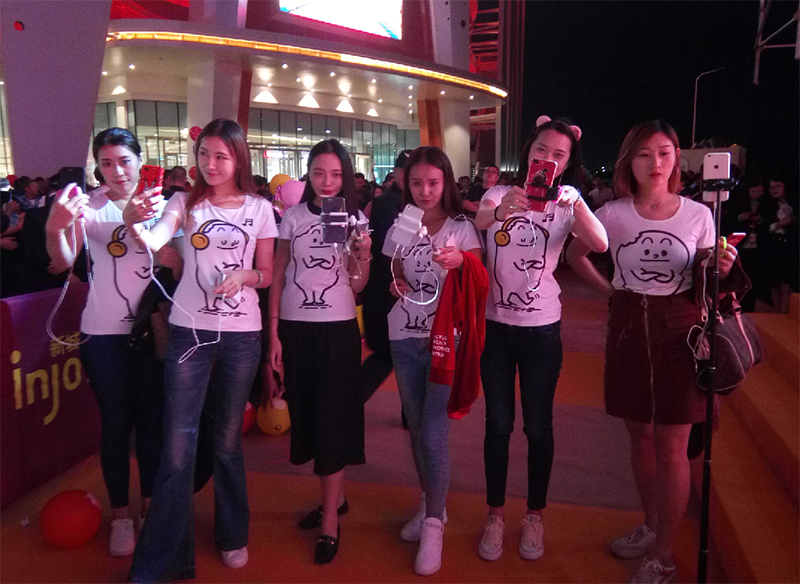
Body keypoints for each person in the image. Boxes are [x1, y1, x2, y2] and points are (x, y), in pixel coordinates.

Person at [567, 120, 739, 584]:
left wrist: (721, 267)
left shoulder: (698, 215)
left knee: (672, 446)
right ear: (629, 162)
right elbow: (575, 256)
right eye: (644, 154)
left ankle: (663, 553)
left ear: (677, 158)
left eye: (664, 152)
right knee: (639, 437)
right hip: (627, 328)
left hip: (681, 332)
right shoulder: (612, 214)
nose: (655, 162)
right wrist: (611, 291)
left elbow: (707, 282)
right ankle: (650, 525)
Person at [124, 118, 277, 582]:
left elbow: (267, 274)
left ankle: (233, 533)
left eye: (221, 156)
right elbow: (155, 241)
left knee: (227, 440)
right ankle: (165, 556)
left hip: (241, 334)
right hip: (188, 332)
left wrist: (245, 276)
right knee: (177, 445)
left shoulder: (259, 208)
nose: (210, 164)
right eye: (204, 154)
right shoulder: (183, 202)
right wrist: (134, 222)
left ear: (238, 159)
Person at [473, 115, 608, 563]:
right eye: (541, 150)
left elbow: (601, 244)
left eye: (558, 155)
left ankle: (534, 516)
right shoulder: (499, 193)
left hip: (543, 331)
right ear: (528, 150)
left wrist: (578, 203)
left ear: (567, 163)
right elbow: (480, 219)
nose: (547, 158)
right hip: (495, 329)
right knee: (497, 425)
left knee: (538, 427)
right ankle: (495, 516)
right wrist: (502, 210)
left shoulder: (568, 203)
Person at [45, 128, 174, 558]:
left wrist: (144, 227)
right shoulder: (89, 206)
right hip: (101, 334)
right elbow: (63, 260)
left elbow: (175, 261)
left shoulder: (163, 205)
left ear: (140, 160)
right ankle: (120, 515)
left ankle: (151, 508)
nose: (116, 171)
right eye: (106, 163)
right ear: (97, 167)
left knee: (152, 422)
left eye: (124, 161)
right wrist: (55, 226)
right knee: (116, 425)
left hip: (152, 330)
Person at [268, 138, 371, 565]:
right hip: (295, 329)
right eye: (318, 173)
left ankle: (330, 518)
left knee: (332, 418)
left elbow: (357, 284)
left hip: (337, 328)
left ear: (345, 176)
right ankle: (336, 498)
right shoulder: (292, 217)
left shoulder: (352, 218)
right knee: (309, 414)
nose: (327, 183)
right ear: (307, 174)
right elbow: (277, 275)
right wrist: (273, 333)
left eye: (335, 175)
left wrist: (361, 253)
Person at [385, 146, 484, 575]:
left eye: (433, 182)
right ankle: (431, 502)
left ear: (446, 183)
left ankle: (433, 524)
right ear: (406, 184)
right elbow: (393, 270)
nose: (425, 190)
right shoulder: (402, 224)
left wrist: (461, 261)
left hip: (447, 340)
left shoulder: (462, 228)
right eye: (417, 182)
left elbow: (480, 280)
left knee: (431, 433)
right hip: (403, 335)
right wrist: (397, 283)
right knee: (415, 427)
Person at [360, 151, 412, 402]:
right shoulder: (387, 203)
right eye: (407, 171)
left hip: (398, 291)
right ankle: (349, 401)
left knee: (405, 354)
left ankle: (409, 414)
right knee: (388, 354)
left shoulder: (410, 202)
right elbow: (389, 251)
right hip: (385, 291)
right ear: (398, 173)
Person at [763, 175, 797, 313]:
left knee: (787, 282)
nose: (774, 190)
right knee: (774, 281)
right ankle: (777, 313)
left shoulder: (794, 204)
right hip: (773, 245)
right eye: (771, 187)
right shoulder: (768, 205)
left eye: (778, 186)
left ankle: (784, 313)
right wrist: (779, 224)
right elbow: (763, 228)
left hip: (790, 246)